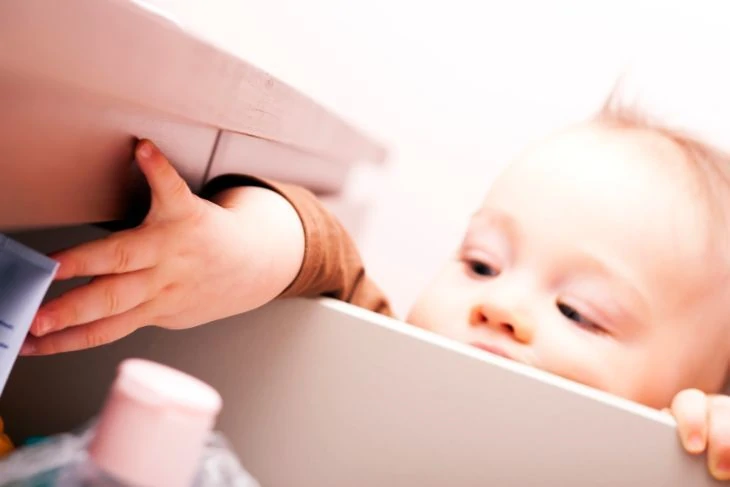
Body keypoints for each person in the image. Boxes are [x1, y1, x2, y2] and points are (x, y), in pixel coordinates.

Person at [19, 95, 730, 480]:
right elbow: (323, 254)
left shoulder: (684, 458)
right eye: (481, 263)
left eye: (579, 311)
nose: (501, 305)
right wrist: (245, 247)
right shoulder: (378, 361)